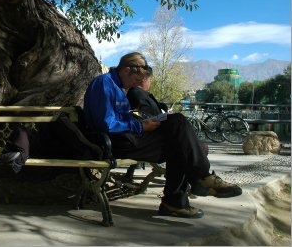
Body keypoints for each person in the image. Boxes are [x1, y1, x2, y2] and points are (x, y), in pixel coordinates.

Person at [83, 52, 242, 219]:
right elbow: (106, 124)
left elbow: (119, 118)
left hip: (126, 138)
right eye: (136, 80)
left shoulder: (118, 87)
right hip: (113, 143)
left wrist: (145, 122)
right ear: (127, 70)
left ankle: (175, 203)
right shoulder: (104, 84)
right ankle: (199, 179)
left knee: (183, 139)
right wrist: (140, 126)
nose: (137, 85)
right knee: (178, 125)